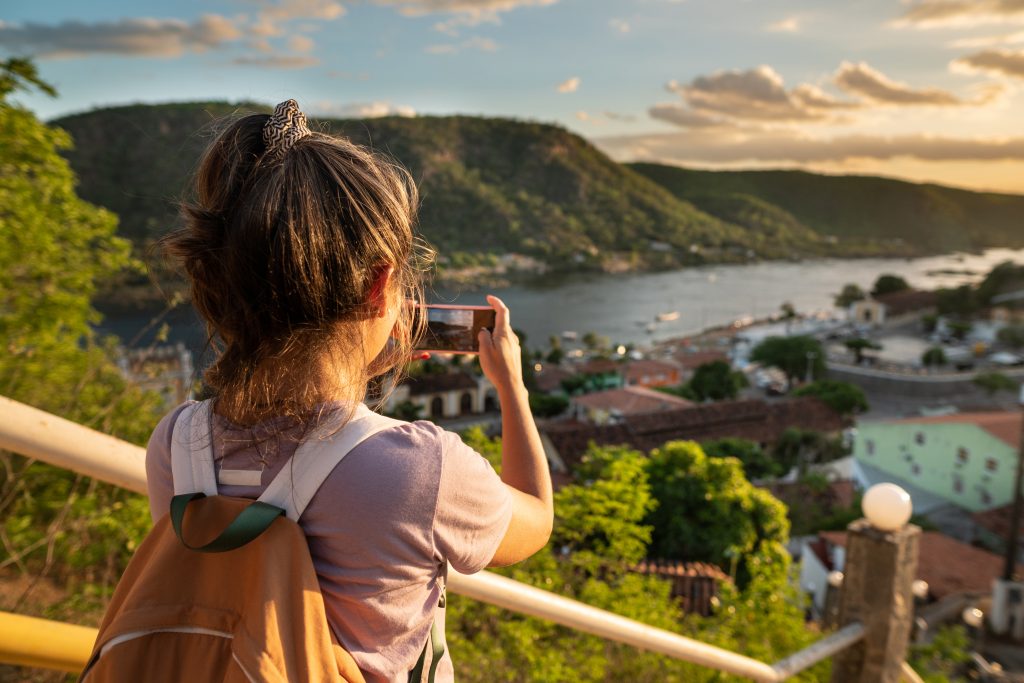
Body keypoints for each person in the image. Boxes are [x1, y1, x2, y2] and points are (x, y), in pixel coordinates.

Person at [144, 100, 553, 682]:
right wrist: (512, 386)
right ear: (381, 284)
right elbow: (535, 522)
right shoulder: (421, 470)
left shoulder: (176, 443)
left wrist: (354, 358)